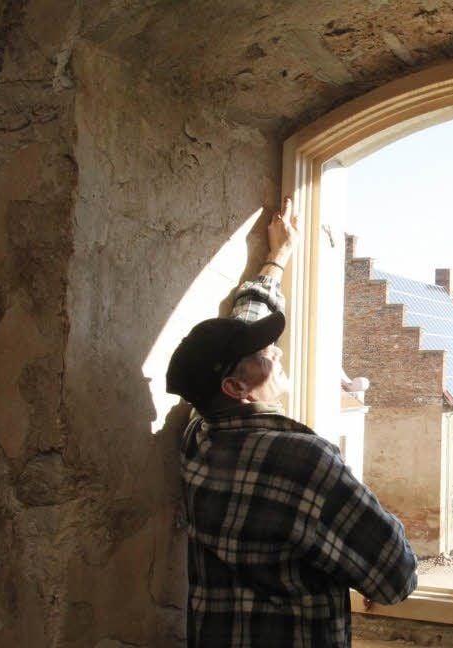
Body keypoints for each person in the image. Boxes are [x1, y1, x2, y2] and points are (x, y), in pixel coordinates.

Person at [166, 198, 417, 648]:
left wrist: (275, 259)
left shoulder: (197, 432)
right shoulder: (303, 462)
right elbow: (395, 578)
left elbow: (243, 323)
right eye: (263, 353)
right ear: (235, 388)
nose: (277, 351)